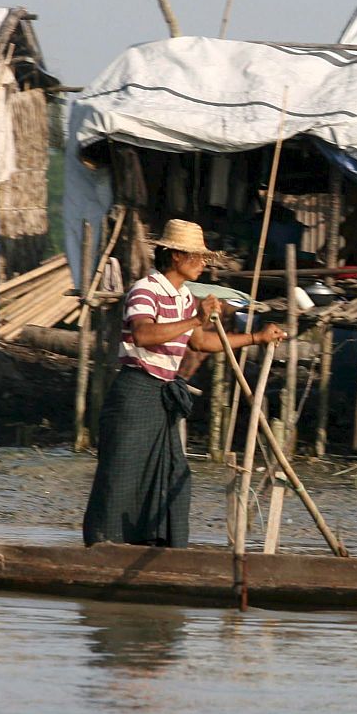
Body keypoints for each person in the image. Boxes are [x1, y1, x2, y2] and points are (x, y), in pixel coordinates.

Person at [82, 219, 285, 548]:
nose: (204, 264)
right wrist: (194, 319)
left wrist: (255, 337)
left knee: (176, 477)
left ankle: (158, 548)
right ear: (176, 256)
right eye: (198, 257)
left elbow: (201, 343)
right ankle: (104, 548)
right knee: (121, 478)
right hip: (135, 394)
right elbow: (143, 334)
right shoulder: (145, 290)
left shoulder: (183, 297)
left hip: (161, 397)